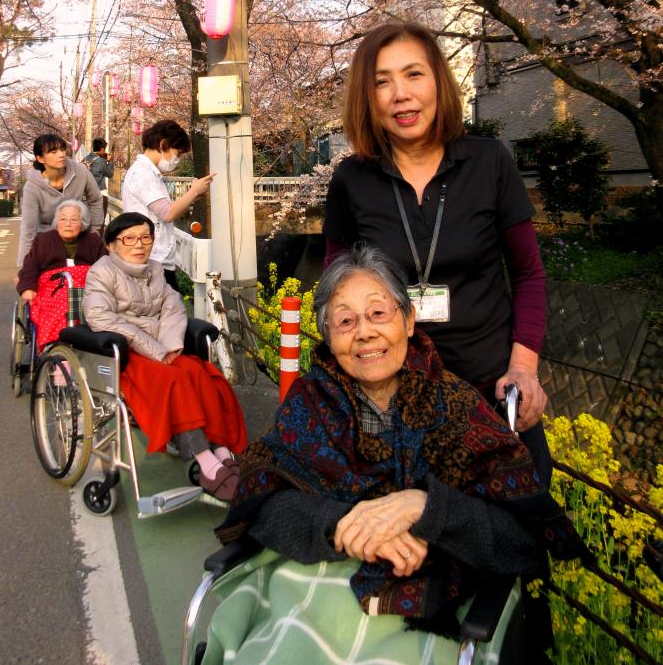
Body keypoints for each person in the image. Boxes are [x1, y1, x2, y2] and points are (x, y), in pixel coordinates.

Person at [210, 248, 581, 660]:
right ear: (330, 340)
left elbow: (520, 539)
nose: (364, 332)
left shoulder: (456, 406)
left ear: (407, 322)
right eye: (346, 321)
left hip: (428, 603)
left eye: (378, 314)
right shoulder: (309, 403)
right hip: (311, 588)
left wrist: (426, 507)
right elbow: (262, 500)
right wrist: (340, 523)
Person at [323, 20, 550, 480]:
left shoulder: (490, 162)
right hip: (391, 401)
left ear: (438, 81)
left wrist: (523, 370)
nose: (399, 95)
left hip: (491, 393)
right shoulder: (351, 180)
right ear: (367, 98)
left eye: (413, 75)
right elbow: (334, 290)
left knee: (513, 531)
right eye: (381, 82)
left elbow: (528, 274)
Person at [82, 212, 248, 500]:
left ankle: (222, 452)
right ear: (111, 245)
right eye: (129, 239)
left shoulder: (155, 270)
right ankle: (208, 465)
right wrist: (156, 350)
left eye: (146, 237)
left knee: (204, 376)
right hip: (128, 353)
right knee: (176, 382)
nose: (139, 245)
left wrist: (170, 346)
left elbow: (173, 307)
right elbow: (100, 317)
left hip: (162, 347)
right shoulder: (101, 272)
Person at [121, 120, 214, 290]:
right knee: (169, 314)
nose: (177, 160)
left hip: (154, 259)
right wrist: (193, 192)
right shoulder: (143, 174)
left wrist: (192, 197)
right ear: (163, 145)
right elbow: (167, 213)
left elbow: (162, 210)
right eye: (178, 153)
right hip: (152, 261)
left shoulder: (148, 172)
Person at [16, 200, 107, 351]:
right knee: (64, 303)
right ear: (57, 222)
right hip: (54, 288)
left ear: (83, 222)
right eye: (63, 219)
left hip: (88, 286)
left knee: (98, 304)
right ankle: (56, 346)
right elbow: (30, 266)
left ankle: (92, 345)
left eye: (74, 219)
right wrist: (27, 287)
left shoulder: (93, 240)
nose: (68, 224)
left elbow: (105, 267)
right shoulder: (43, 240)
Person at [16, 133, 104, 270]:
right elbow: (29, 228)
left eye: (63, 149)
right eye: (53, 152)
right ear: (40, 158)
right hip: (47, 240)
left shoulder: (80, 170)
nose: (61, 154)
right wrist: (23, 267)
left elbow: (96, 198)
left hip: (78, 234)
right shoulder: (32, 187)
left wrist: (95, 230)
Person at [83, 138, 114, 220]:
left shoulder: (85, 159)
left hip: (86, 194)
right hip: (100, 194)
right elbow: (110, 174)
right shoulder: (101, 161)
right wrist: (109, 162)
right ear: (102, 149)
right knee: (100, 221)